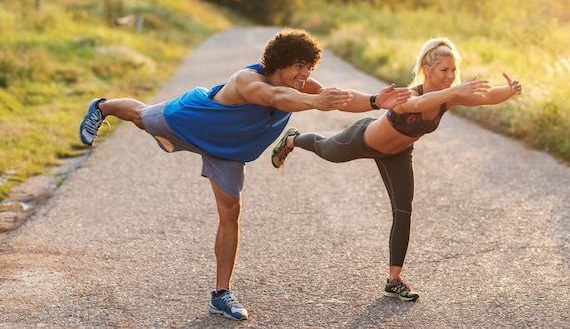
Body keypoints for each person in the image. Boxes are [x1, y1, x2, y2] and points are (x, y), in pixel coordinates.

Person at [78, 28, 410, 321]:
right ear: (280, 62)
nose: (305, 73)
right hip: (194, 119)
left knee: (231, 213)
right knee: (139, 116)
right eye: (299, 66)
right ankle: (102, 107)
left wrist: (374, 101)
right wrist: (314, 102)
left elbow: (338, 100)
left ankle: (221, 295)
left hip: (228, 152)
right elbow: (276, 97)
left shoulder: (304, 85)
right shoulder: (247, 80)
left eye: (309, 67)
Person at [271, 37, 523, 302]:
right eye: (444, 70)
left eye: (452, 70)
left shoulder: (447, 99)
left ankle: (394, 280)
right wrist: (456, 92)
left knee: (403, 211)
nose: (450, 76)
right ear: (427, 69)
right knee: (325, 149)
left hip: (398, 154)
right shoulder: (409, 94)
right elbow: (415, 106)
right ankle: (293, 139)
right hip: (362, 139)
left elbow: (486, 96)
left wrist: (509, 91)